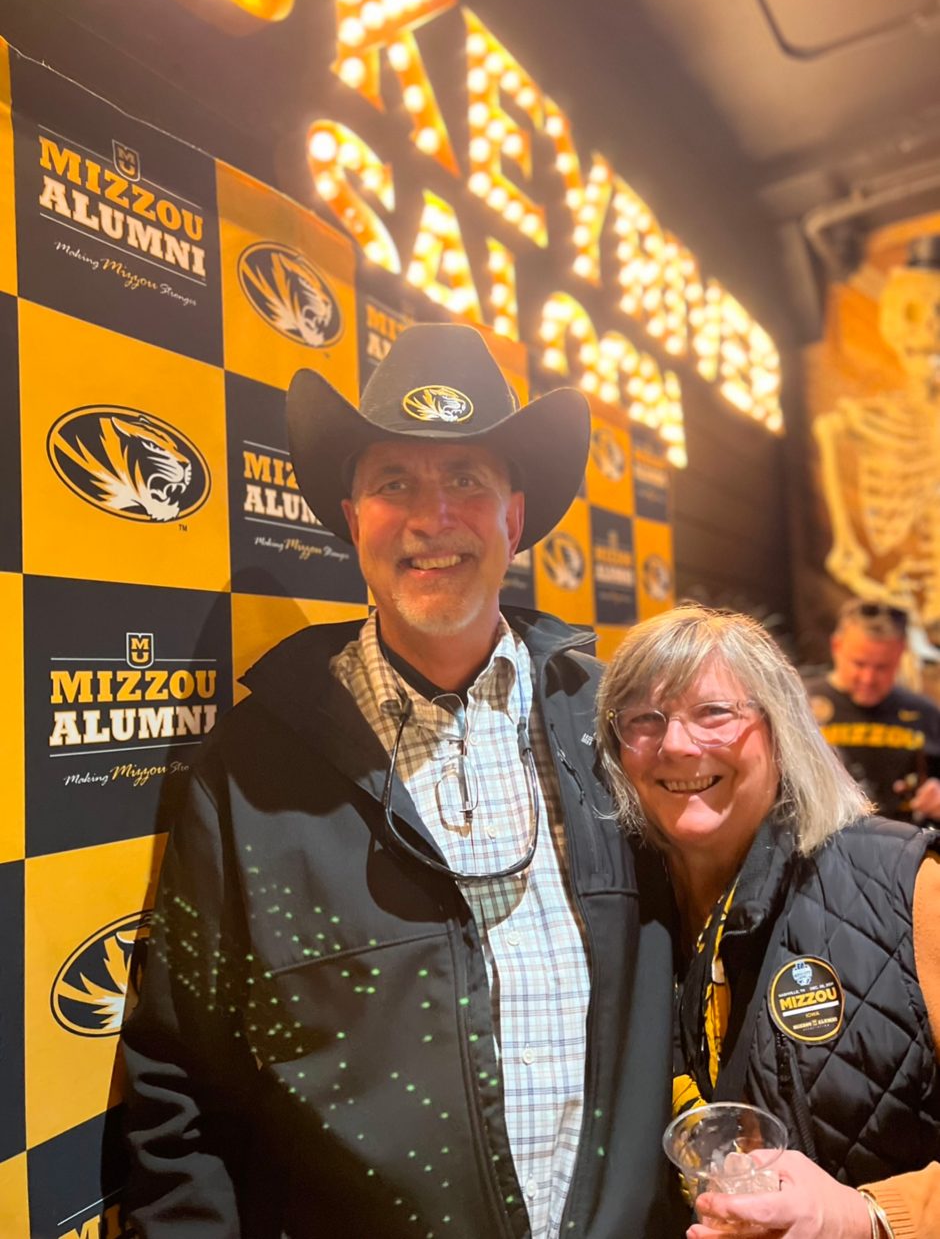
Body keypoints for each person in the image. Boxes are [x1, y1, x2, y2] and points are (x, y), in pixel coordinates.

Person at [122, 322, 679, 1238]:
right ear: (353, 519)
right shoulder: (252, 768)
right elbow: (178, 1086)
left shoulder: (611, 723)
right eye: (395, 482)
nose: (433, 516)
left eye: (467, 477)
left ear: (513, 516)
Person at [597, 603, 940, 1239]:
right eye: (645, 718)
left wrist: (865, 1216)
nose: (676, 743)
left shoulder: (906, 883)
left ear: (781, 728)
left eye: (714, 713)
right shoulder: (610, 911)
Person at [806, 597, 940, 821]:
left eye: (882, 667)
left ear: (900, 654)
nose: (868, 679)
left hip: (904, 847)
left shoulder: (925, 713)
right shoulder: (800, 703)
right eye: (859, 663)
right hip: (823, 845)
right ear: (836, 647)